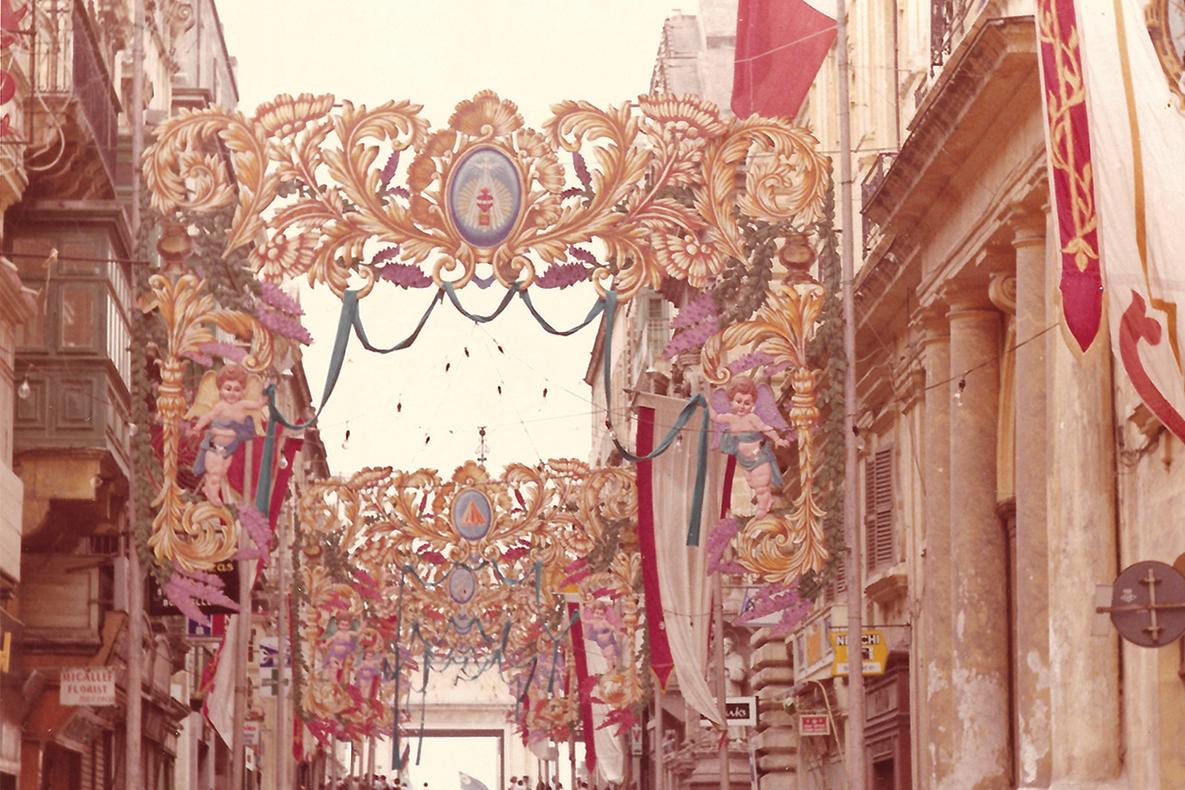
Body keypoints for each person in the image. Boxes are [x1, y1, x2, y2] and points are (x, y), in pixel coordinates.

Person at [711, 377, 789, 518]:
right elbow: (716, 418)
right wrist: (705, 405)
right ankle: (767, 501)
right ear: (731, 402)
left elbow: (766, 428)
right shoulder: (731, 418)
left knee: (760, 487)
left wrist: (777, 439)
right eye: (738, 401)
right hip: (744, 460)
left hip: (757, 456)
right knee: (753, 483)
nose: (742, 406)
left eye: (747, 403)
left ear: (753, 404)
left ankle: (763, 507)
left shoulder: (752, 418)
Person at [191, 363, 264, 504]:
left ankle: (209, 489)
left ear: (243, 392)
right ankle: (211, 494)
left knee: (221, 472)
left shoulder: (241, 406)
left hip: (228, 450)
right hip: (214, 445)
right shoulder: (220, 407)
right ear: (220, 390)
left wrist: (266, 396)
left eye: (237, 389)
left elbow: (257, 405)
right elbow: (208, 417)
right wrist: (197, 427)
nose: (232, 393)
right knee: (215, 473)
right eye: (228, 388)